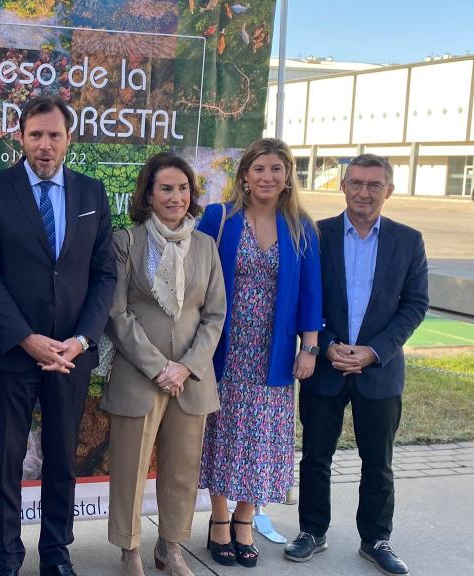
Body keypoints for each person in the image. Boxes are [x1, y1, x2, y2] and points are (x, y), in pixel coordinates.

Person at [0, 95, 117, 576]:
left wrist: (82, 339)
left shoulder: (92, 194)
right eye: (36, 134)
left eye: (54, 134)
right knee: (8, 464)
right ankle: (8, 559)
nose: (45, 144)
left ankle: (56, 554)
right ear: (21, 137)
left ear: (69, 138)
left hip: (71, 355)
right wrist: (26, 338)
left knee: (61, 462)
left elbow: (103, 276)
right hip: (13, 355)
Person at [284, 154, 428, 576]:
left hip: (379, 372)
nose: (364, 192)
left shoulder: (408, 240)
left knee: (378, 463)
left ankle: (376, 539)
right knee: (315, 457)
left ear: (389, 190)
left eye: (374, 184)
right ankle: (312, 531)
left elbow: (414, 305)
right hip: (326, 369)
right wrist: (326, 346)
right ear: (343, 186)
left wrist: (373, 351)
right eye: (356, 183)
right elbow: (304, 296)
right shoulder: (316, 234)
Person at [195, 137, 322, 568]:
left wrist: (309, 347)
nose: (268, 177)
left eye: (277, 169)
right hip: (222, 348)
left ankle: (245, 518)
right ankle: (217, 518)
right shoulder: (219, 218)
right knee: (222, 432)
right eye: (259, 169)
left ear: (288, 178)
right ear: (244, 176)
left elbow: (311, 293)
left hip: (274, 352)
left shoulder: (301, 227)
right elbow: (195, 279)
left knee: (262, 440)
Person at [101, 152, 226, 576]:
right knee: (130, 470)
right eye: (166, 188)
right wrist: (159, 367)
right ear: (149, 194)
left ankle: (171, 548)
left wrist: (186, 367)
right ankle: (130, 551)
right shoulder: (127, 242)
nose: (176, 197)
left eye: (183, 188)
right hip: (139, 376)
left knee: (183, 470)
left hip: (191, 380)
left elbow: (214, 316)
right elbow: (116, 314)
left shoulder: (206, 246)